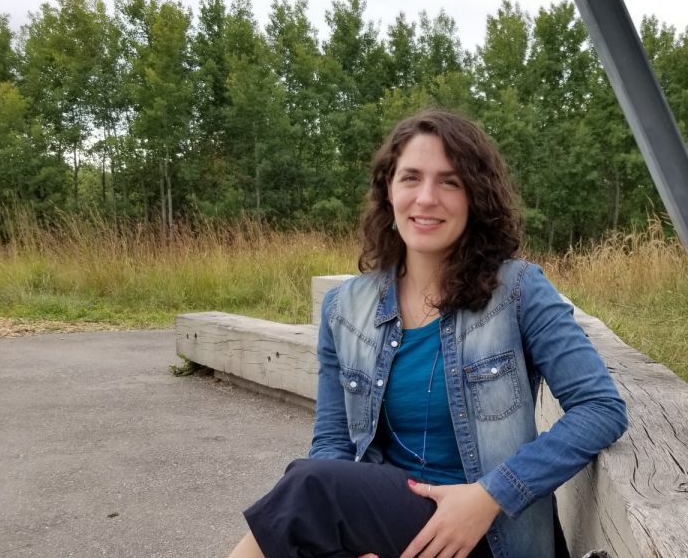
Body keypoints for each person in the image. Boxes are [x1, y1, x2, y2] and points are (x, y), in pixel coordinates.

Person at [227, 109, 628, 558]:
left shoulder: (518, 291)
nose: (426, 198)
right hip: (393, 524)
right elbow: (334, 444)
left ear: (475, 196)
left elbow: (601, 408)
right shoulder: (345, 309)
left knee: (305, 488)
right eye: (411, 178)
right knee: (308, 490)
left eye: (450, 182)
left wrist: (491, 494)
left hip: (491, 534)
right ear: (389, 190)